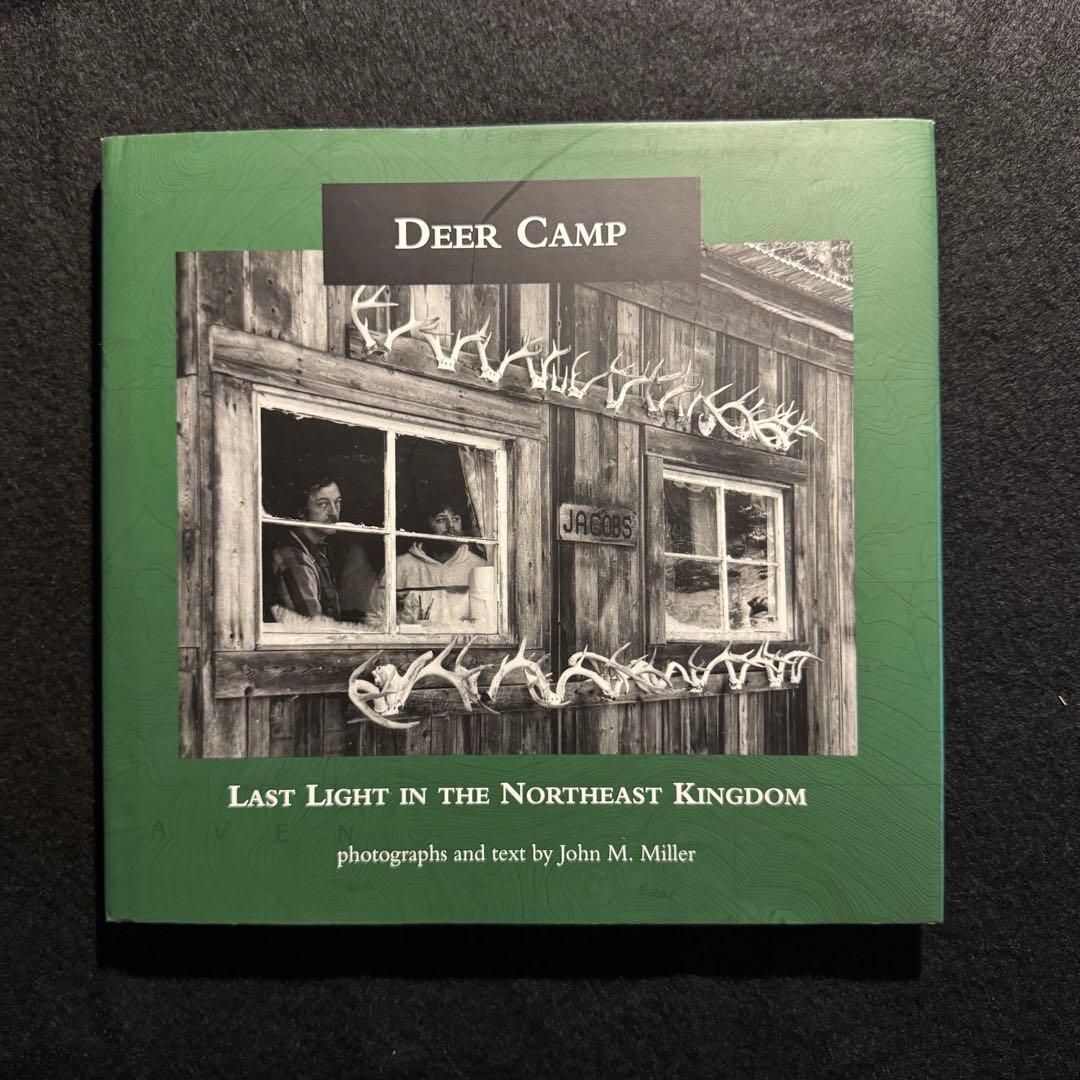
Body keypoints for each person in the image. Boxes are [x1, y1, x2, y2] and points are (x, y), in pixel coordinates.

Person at [367, 502, 488, 628]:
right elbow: (375, 618)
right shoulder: (400, 567)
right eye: (441, 520)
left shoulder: (479, 566)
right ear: (425, 525)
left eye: (455, 519)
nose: (450, 526)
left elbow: (489, 620)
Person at [269, 476, 343, 625]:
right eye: (323, 504)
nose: (333, 512)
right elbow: (313, 626)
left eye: (337, 502)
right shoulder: (293, 556)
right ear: (301, 512)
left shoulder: (317, 549)